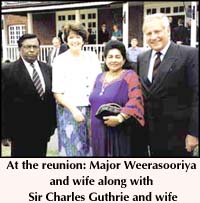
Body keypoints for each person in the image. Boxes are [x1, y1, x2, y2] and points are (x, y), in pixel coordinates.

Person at [137, 13, 199, 157]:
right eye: (148, 33)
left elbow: (197, 96)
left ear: (168, 30)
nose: (153, 37)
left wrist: (194, 133)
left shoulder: (189, 55)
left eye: (157, 32)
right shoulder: (142, 58)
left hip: (179, 136)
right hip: (150, 134)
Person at [2, 33, 56, 157]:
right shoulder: (7, 71)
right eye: (27, 47)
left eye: (35, 47)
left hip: (43, 131)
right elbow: (3, 103)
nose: (32, 50)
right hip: (19, 132)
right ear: (20, 49)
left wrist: (52, 126)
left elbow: (50, 99)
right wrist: (4, 134)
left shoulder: (48, 69)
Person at [89, 40, 146, 157]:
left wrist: (120, 118)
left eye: (117, 57)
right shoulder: (99, 77)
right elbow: (93, 102)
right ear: (105, 59)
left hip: (118, 130)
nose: (113, 60)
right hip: (97, 131)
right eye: (110, 57)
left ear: (124, 60)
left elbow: (136, 99)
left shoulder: (130, 75)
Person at [52, 22, 101, 156]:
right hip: (69, 111)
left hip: (92, 110)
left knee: (93, 149)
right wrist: (74, 111)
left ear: (83, 39)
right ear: (66, 40)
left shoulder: (92, 57)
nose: (75, 40)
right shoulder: (60, 60)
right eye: (71, 37)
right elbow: (57, 92)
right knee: (73, 150)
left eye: (78, 37)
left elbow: (99, 84)